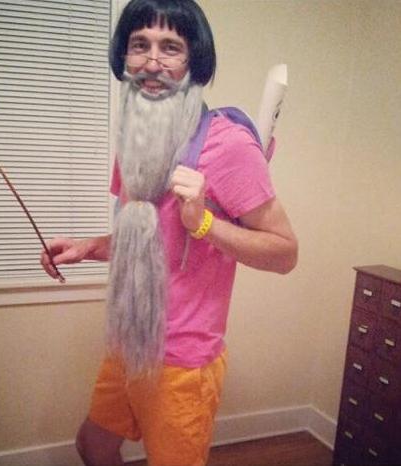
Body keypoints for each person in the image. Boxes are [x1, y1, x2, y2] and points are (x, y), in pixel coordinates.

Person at [40, 0, 298, 465]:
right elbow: (147, 240)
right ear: (124, 56)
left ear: (194, 60)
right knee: (93, 445)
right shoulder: (133, 140)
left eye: (171, 47)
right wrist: (85, 247)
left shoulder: (229, 144)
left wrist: (204, 223)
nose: (152, 62)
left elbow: (284, 253)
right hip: (129, 339)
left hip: (183, 360)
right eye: (140, 45)